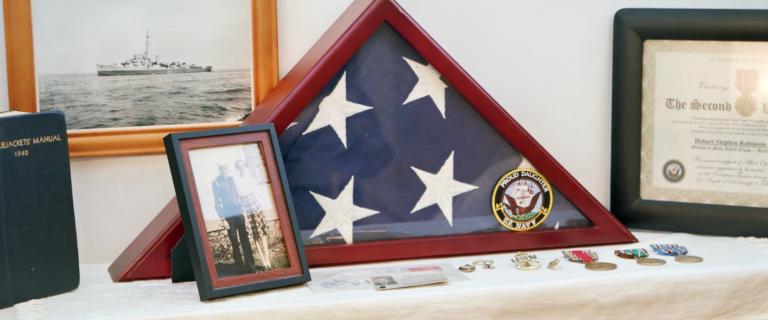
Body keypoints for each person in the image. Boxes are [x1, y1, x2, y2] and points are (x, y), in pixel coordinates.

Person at [212, 163, 256, 273]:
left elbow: (238, 195)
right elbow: (217, 202)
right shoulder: (216, 182)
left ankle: (250, 266)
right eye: (221, 168)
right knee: (234, 241)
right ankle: (240, 266)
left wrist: (244, 214)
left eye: (225, 168)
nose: (224, 170)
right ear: (219, 170)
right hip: (228, 214)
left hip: (238, 212)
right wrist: (222, 219)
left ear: (227, 168)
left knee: (244, 238)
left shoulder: (232, 179)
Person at [233, 159, 273, 270]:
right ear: (237, 168)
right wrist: (244, 212)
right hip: (245, 206)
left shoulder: (250, 179)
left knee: (263, 233)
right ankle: (263, 262)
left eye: (243, 166)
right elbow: (238, 195)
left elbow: (257, 193)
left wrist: (261, 207)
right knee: (255, 235)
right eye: (239, 166)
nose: (241, 168)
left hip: (256, 205)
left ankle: (268, 260)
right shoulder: (236, 181)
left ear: (245, 167)